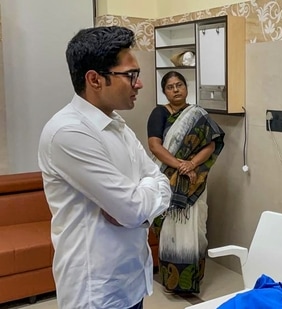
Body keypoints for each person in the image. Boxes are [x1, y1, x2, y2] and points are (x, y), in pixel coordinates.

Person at [37, 26, 171, 309]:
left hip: (132, 281)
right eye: (130, 75)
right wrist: (140, 202)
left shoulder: (117, 124)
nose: (139, 84)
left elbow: (159, 181)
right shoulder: (68, 132)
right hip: (95, 291)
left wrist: (139, 201)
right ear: (95, 79)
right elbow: (133, 208)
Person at [146, 71, 225, 295]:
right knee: (170, 230)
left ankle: (193, 281)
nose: (176, 90)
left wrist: (191, 164)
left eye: (179, 85)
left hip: (194, 181)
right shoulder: (159, 113)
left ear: (186, 87)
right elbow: (155, 146)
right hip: (166, 179)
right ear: (164, 91)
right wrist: (180, 165)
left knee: (195, 229)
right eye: (170, 87)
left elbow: (210, 144)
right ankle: (172, 282)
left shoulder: (197, 114)